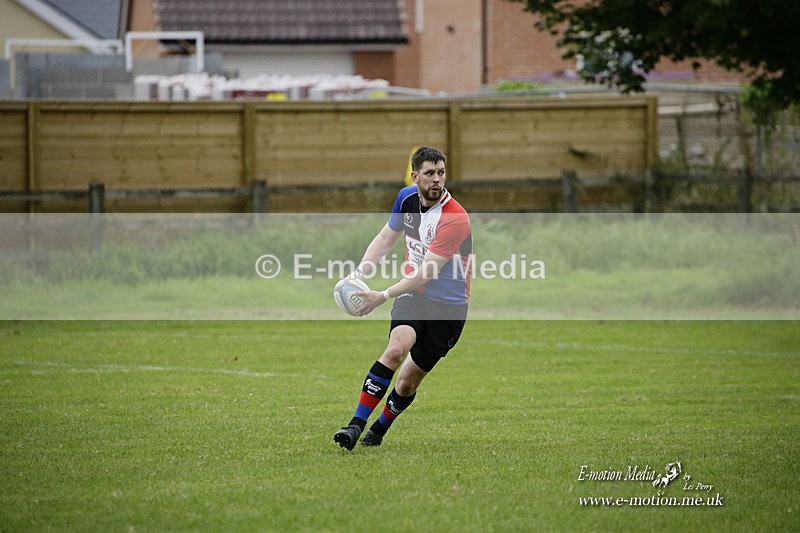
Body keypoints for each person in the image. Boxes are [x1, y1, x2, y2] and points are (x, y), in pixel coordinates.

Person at [333, 146, 472, 450]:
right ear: (415, 176)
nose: (437, 179)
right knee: (396, 350)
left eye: (441, 173)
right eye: (430, 173)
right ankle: (355, 425)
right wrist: (359, 274)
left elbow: (426, 272)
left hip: (448, 310)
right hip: (413, 295)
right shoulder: (406, 199)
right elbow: (386, 238)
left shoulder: (455, 218)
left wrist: (380, 295)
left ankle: (379, 430)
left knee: (408, 381)